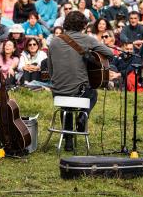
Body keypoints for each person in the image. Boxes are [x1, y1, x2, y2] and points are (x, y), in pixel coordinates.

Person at [47, 10, 114, 151]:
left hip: (57, 92)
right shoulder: (87, 39)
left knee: (66, 106)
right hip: (79, 92)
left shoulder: (53, 41)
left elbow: (50, 70)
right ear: (83, 25)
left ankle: (68, 141)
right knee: (93, 94)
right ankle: (83, 117)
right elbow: (109, 53)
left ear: (66, 24)